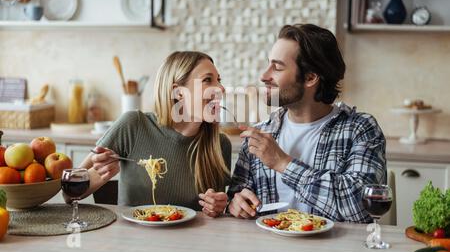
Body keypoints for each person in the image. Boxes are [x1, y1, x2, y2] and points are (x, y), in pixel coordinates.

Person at [227, 24, 387, 223]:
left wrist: (283, 163)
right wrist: (235, 203)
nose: (264, 76)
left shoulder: (360, 129)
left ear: (310, 77)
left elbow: (362, 208)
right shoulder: (262, 132)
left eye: (277, 67)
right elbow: (237, 196)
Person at [73, 51, 231, 217]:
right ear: (178, 92)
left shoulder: (220, 145)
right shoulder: (133, 125)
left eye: (218, 80)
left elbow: (215, 214)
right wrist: (100, 174)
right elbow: (69, 194)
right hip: (132, 239)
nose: (221, 88)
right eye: (208, 80)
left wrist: (218, 206)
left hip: (192, 241)